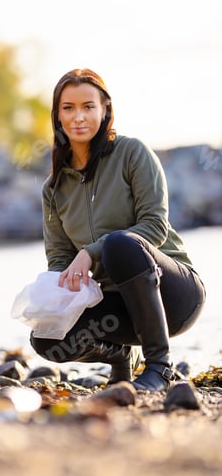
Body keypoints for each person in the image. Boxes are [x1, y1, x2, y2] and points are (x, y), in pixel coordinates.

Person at [30, 67, 206, 391]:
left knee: (120, 244)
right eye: (68, 108)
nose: (78, 117)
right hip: (118, 309)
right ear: (57, 115)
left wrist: (90, 253)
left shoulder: (132, 153)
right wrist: (53, 298)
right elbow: (59, 258)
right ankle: (120, 357)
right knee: (46, 337)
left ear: (105, 109)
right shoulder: (53, 188)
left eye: (88, 106)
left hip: (174, 297)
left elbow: (155, 225)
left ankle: (159, 366)